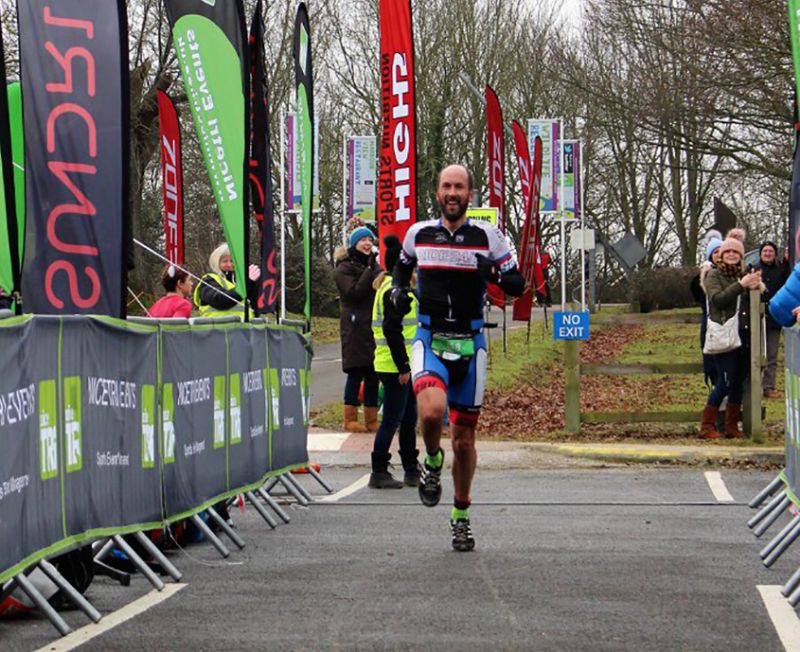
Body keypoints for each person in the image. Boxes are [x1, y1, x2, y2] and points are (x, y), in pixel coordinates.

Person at [388, 163, 524, 551]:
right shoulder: (419, 233)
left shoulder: (489, 236)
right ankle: (432, 461)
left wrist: (493, 274)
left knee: (465, 441)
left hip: (471, 340)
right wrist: (398, 291)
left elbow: (518, 283)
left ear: (469, 194)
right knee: (430, 412)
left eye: (459, 187)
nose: (452, 193)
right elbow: (401, 271)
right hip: (430, 337)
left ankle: (461, 515)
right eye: (446, 186)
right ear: (437, 193)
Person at [368, 235, 420, 489]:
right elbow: (392, 330)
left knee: (409, 419)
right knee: (392, 420)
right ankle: (378, 470)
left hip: (400, 363)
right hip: (395, 365)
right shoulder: (392, 291)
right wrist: (403, 367)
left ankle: (411, 467)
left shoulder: (388, 287)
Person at [699, 238, 762, 439]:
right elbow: (718, 299)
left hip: (744, 335)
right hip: (725, 334)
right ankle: (707, 425)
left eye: (736, 253)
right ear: (722, 256)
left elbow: (759, 300)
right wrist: (740, 285)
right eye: (728, 252)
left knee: (738, 383)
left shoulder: (744, 275)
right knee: (724, 382)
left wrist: (757, 285)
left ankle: (731, 427)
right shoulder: (714, 275)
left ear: (741, 257)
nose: (732, 255)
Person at [334, 224, 382, 433]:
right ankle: (350, 418)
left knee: (373, 373)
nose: (368, 243)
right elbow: (355, 293)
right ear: (354, 244)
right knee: (355, 372)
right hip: (354, 327)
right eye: (363, 240)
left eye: (370, 240)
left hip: (372, 326)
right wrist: (370, 271)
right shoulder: (343, 269)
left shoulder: (373, 266)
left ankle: (371, 420)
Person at [193, 243, 260, 320]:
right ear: (216, 263)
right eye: (225, 261)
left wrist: (253, 284)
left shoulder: (242, 281)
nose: (229, 264)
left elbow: (256, 307)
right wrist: (247, 283)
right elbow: (221, 301)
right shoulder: (209, 281)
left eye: (232, 261)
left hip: (244, 330)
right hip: (216, 330)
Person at [757, 241, 789, 399]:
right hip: (756, 319)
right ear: (760, 254)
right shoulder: (754, 270)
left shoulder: (781, 270)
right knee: (754, 355)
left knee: (771, 355)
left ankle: (769, 387)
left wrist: (788, 260)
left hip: (774, 319)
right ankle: (754, 386)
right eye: (765, 251)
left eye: (770, 251)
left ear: (775, 254)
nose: (768, 254)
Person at [691, 237, 723, 387]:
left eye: (720, 251)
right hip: (710, 321)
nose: (718, 255)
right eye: (715, 252)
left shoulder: (730, 272)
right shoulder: (703, 276)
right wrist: (704, 276)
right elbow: (697, 295)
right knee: (710, 357)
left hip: (727, 321)